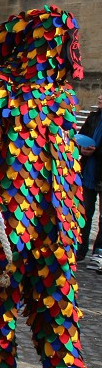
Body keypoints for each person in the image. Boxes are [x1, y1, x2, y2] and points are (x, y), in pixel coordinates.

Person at [0, 6, 100, 368]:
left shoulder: (59, 96)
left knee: (59, 296)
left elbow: (57, 147)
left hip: (55, 214)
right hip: (5, 215)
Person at [76, 91, 102, 268]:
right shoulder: (93, 117)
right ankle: (79, 248)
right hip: (88, 173)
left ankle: (99, 252)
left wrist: (96, 152)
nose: (99, 97)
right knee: (84, 212)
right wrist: (81, 148)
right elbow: (81, 136)